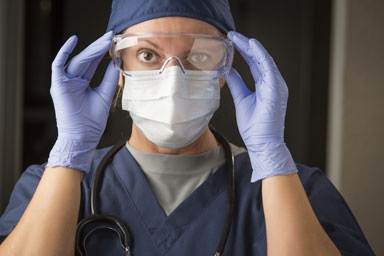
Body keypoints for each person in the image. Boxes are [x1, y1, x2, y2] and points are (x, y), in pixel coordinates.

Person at [0, 0, 375, 255]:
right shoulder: (48, 186)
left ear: (223, 71)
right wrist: (70, 152)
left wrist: (272, 160)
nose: (174, 79)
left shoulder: (298, 190)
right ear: (118, 67)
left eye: (198, 55)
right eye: (148, 55)